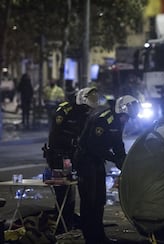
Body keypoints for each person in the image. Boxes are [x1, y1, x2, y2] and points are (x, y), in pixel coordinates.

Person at [76, 95, 139, 244]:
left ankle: (99, 236)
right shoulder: (104, 120)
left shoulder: (117, 121)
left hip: (97, 161)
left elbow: (118, 144)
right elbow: (93, 146)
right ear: (121, 111)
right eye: (126, 117)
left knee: (99, 200)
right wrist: (113, 158)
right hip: (86, 161)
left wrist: (124, 162)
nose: (126, 121)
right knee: (89, 200)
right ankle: (90, 237)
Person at [45, 87, 99, 233]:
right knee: (63, 193)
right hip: (58, 157)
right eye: (86, 107)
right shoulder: (65, 110)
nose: (87, 111)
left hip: (72, 156)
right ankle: (61, 227)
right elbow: (54, 135)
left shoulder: (84, 113)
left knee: (71, 192)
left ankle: (67, 224)